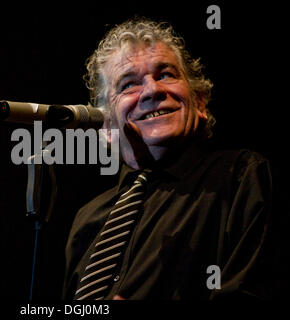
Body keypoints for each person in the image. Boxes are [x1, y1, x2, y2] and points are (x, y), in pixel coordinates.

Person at [62, 17, 273, 300]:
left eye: (166, 75)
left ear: (199, 101)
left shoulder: (242, 176)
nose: (152, 90)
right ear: (108, 127)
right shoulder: (86, 219)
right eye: (128, 85)